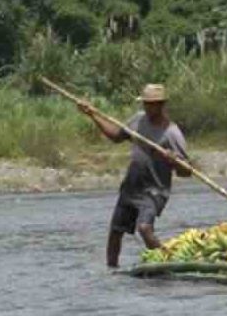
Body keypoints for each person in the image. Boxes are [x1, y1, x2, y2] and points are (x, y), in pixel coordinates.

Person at [78, 84, 191, 268]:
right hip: (132, 186)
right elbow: (116, 136)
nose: (147, 108)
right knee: (116, 231)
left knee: (144, 228)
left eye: (151, 104)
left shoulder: (172, 133)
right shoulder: (138, 121)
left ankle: (167, 264)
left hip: (155, 190)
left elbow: (186, 172)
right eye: (145, 104)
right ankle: (112, 268)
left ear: (161, 105)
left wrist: (173, 160)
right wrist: (92, 114)